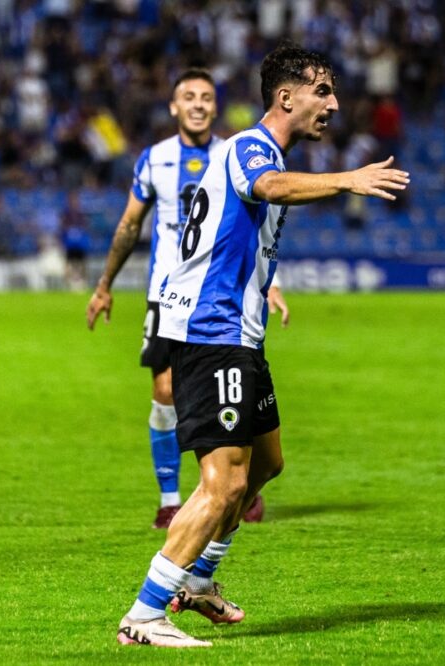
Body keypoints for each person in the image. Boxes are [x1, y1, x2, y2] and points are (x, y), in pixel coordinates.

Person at [115, 44, 409, 648]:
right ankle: (144, 614)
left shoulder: (255, 152)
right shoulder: (253, 147)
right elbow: (267, 186)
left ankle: (197, 580)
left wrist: (264, 286)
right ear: (285, 97)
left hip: (240, 335)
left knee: (267, 463)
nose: (332, 103)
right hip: (213, 334)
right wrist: (348, 180)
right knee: (222, 484)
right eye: (322, 91)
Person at [86, 69, 289, 530]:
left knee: (237, 389)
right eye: (188, 97)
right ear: (174, 107)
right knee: (164, 391)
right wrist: (104, 285)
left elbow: (261, 226)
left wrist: (272, 284)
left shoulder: (237, 154)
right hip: (167, 292)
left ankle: (230, 487)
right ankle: (171, 497)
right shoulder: (154, 159)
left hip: (226, 297)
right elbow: (129, 225)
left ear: (215, 107)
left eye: (205, 97)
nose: (197, 104)